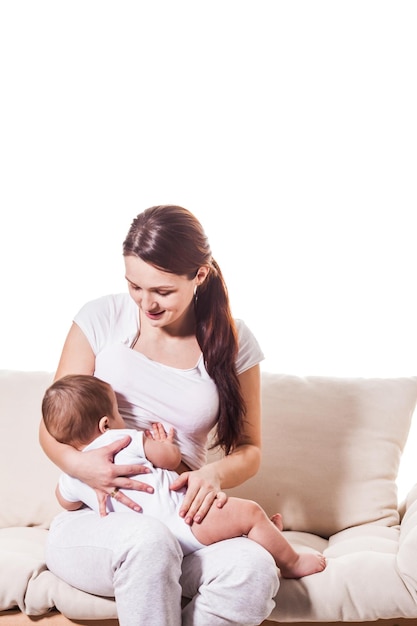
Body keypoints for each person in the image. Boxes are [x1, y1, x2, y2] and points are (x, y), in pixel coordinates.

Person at [39, 204, 280, 626]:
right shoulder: (101, 318)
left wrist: (215, 476)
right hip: (99, 524)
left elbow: (250, 447)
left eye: (162, 291)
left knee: (253, 569)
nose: (146, 302)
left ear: (199, 276)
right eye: (135, 286)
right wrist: (85, 468)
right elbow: (50, 427)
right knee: (148, 541)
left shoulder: (233, 340)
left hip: (181, 517)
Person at [42, 374, 327, 578]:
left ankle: (263, 540)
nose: (122, 418)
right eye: (118, 411)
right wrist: (164, 444)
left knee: (237, 522)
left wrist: (78, 480)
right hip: (183, 520)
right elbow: (170, 460)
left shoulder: (75, 475)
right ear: (105, 424)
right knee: (250, 512)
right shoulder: (123, 437)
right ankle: (291, 562)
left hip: (146, 542)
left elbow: (65, 502)